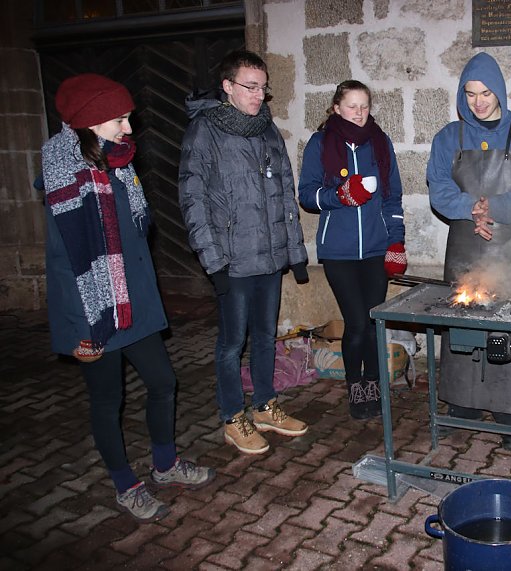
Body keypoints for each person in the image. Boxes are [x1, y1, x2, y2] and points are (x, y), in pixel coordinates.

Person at [40, 73, 215, 522]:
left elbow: (137, 233)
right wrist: (82, 330)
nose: (128, 129)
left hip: (133, 300)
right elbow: (65, 266)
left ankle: (164, 463)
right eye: (119, 119)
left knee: (163, 382)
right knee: (106, 399)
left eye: (128, 118)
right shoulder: (65, 175)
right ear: (90, 122)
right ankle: (125, 485)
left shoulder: (117, 162)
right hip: (95, 310)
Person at [179, 50, 310, 455]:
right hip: (232, 261)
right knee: (232, 342)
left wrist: (295, 251)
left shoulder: (267, 129)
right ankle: (232, 416)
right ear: (227, 87)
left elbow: (284, 192)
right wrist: (213, 261)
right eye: (250, 87)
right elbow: (193, 198)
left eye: (263, 88)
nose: (258, 95)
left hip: (269, 257)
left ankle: (265, 405)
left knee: (266, 336)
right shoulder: (205, 131)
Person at [427, 52, 511, 451]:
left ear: (499, 91)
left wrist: (493, 209)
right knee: (461, 322)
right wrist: (471, 209)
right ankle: (462, 403)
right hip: (465, 243)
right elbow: (438, 187)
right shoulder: (449, 137)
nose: (478, 101)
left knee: (509, 327)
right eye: (470, 93)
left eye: (485, 93)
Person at [298, 80, 407, 419]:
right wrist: (340, 196)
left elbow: (392, 197)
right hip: (338, 251)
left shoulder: (380, 143)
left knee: (374, 322)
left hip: (375, 248)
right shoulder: (321, 143)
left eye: (364, 106)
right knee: (356, 321)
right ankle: (356, 386)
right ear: (336, 108)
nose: (359, 113)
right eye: (352, 106)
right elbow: (307, 195)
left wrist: (396, 240)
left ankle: (375, 384)